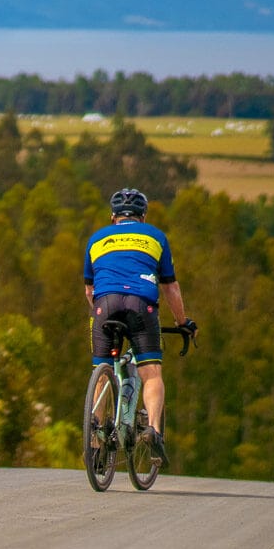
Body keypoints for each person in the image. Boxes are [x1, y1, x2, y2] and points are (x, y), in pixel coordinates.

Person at [83, 187, 195, 465]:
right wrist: (182, 322)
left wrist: (99, 315)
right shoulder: (156, 236)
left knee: (101, 369)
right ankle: (154, 432)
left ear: (113, 216)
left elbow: (89, 290)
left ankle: (96, 443)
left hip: (104, 305)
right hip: (140, 304)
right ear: (143, 216)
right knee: (152, 372)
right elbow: (170, 287)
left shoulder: (97, 238)